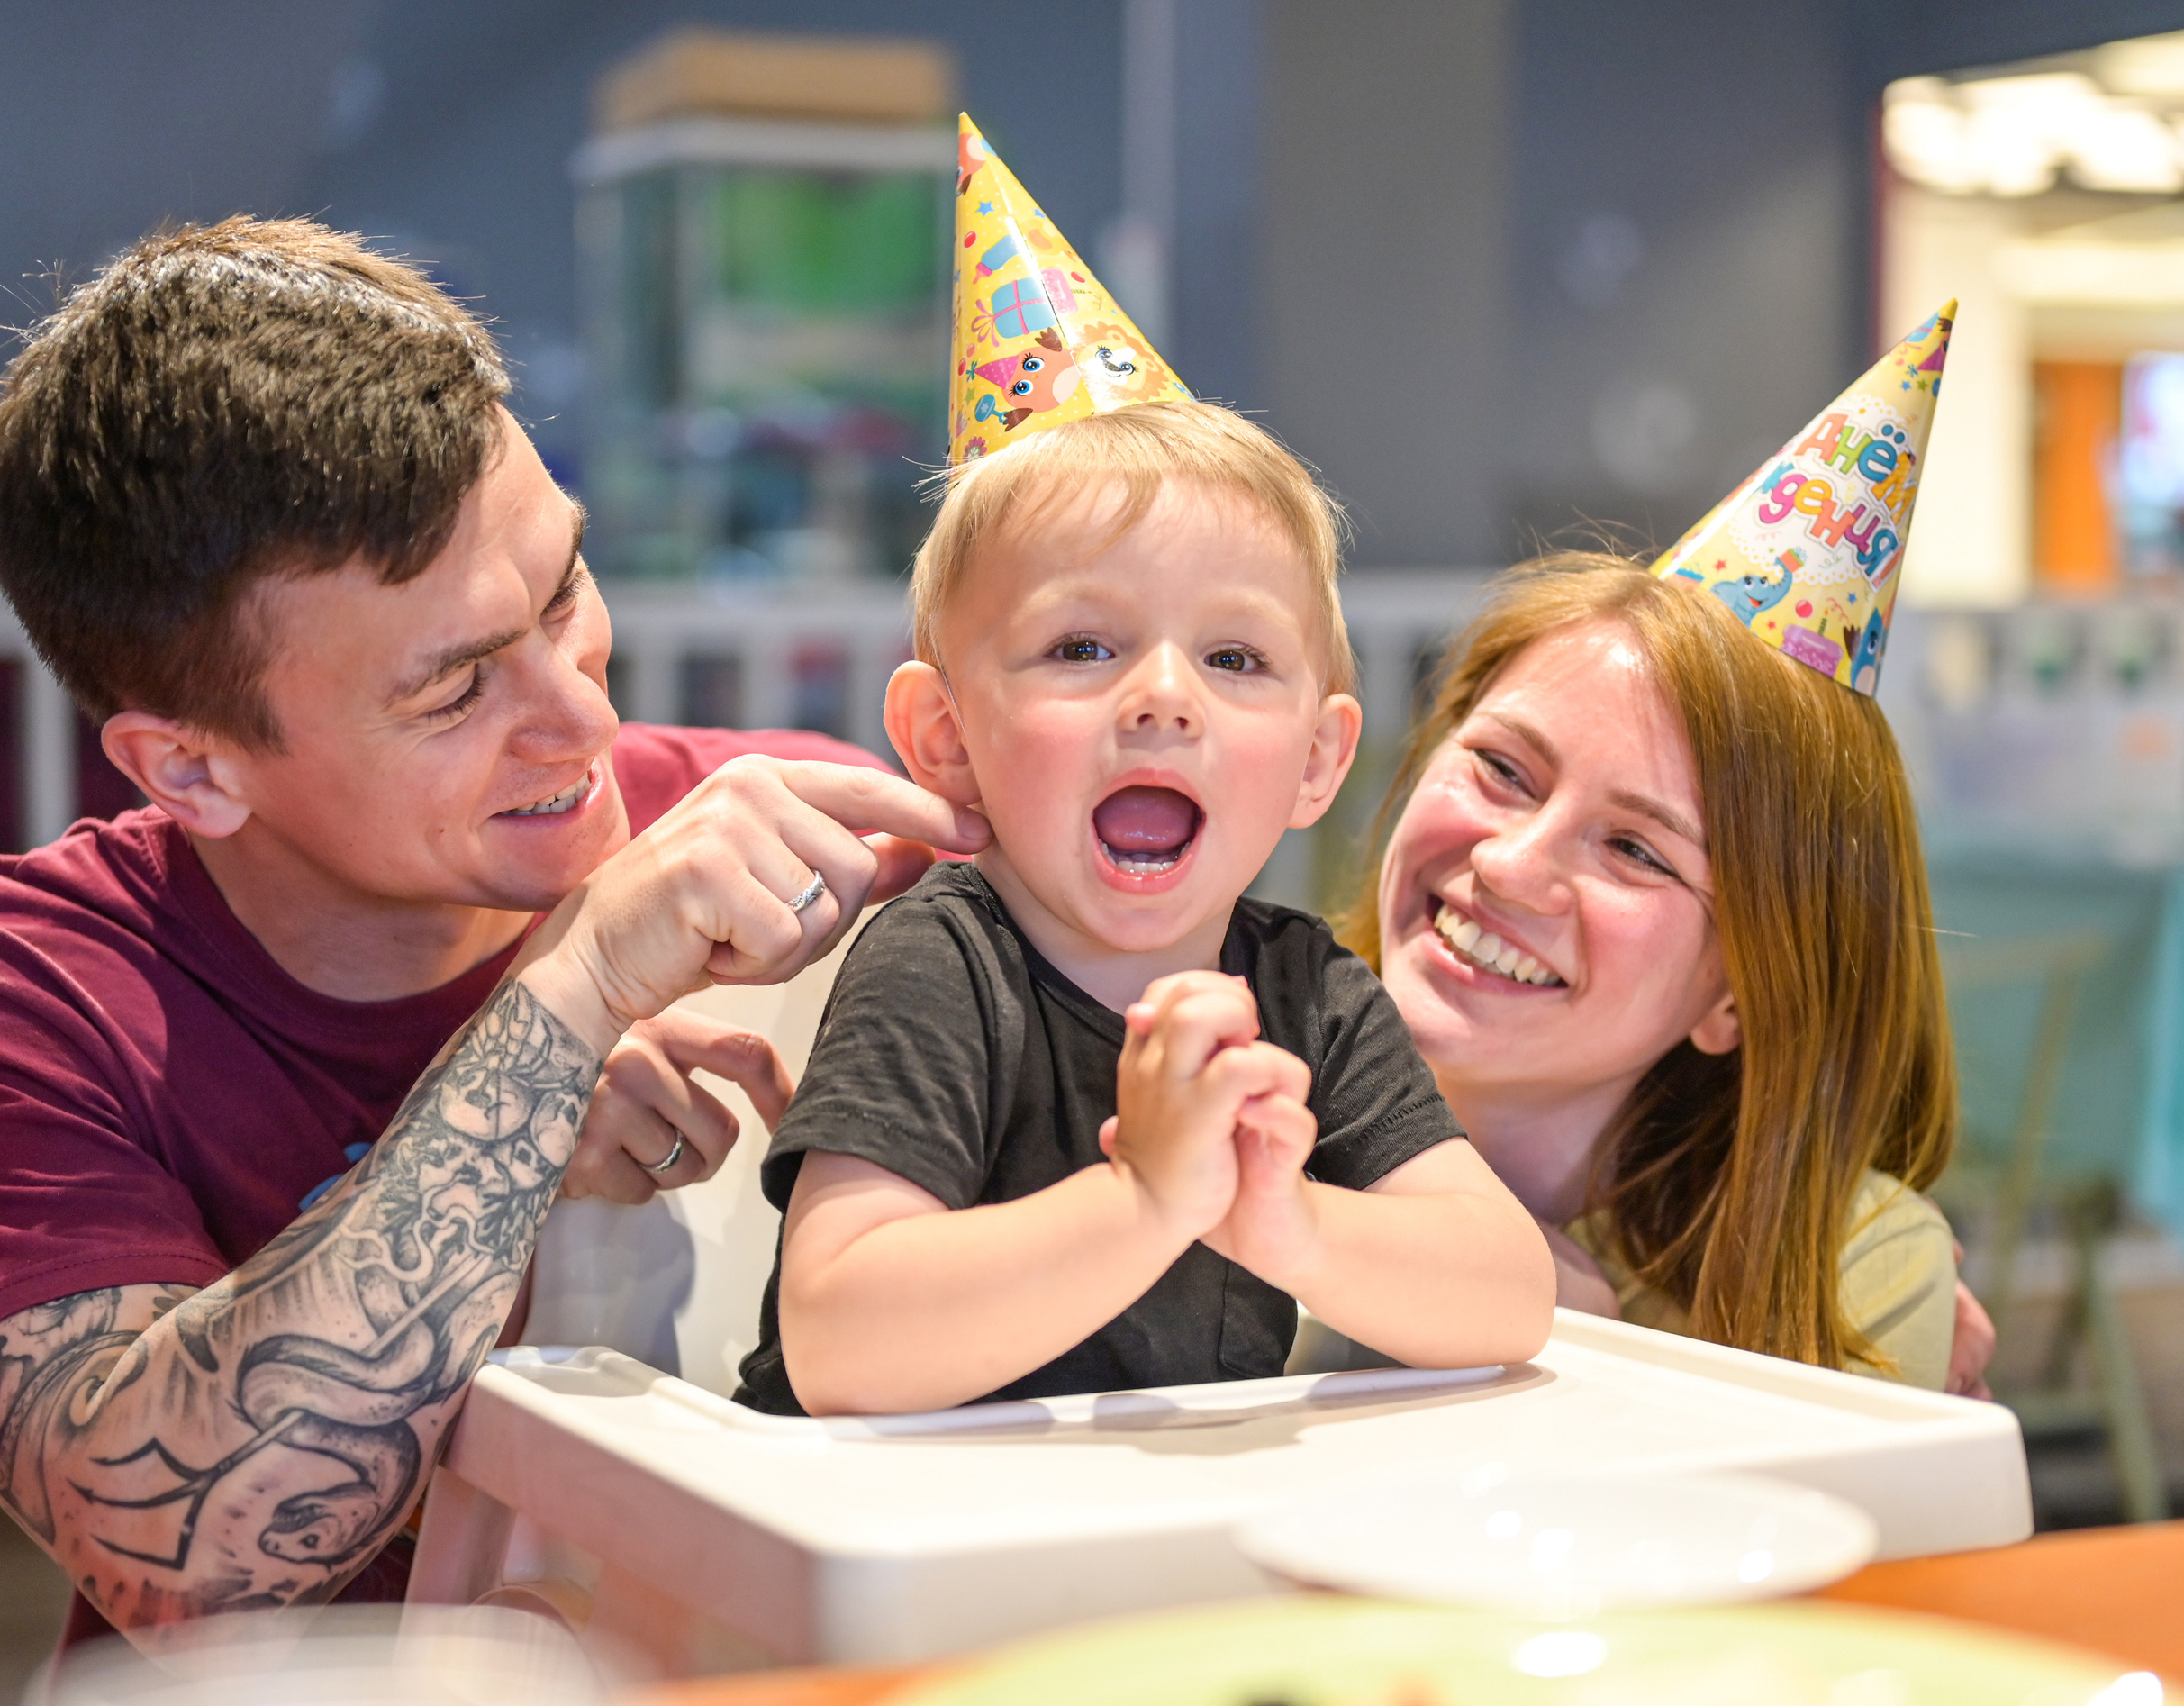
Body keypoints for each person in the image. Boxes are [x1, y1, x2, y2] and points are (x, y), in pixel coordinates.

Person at [0, 216, 986, 1644]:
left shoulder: (792, 825)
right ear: (191, 769)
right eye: (457, 689)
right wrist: (568, 1001)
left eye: (565, 588)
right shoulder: (50, 994)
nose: (587, 714)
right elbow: (176, 1544)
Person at [734, 123, 1550, 1417]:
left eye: (1234, 656)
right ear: (948, 737)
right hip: (888, 1574)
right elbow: (839, 1338)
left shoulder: (1306, 991)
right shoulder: (945, 965)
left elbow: (1506, 1293)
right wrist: (1147, 1199)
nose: (1164, 696)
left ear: (1317, 759)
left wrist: (1291, 1227)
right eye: (1082, 644)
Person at [1335, 305, 1996, 1393]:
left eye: (1637, 849)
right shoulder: (1204, 1095)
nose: (1509, 864)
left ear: (1737, 990)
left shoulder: (1847, 1275)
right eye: (1502, 769)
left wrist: (1576, 1351)